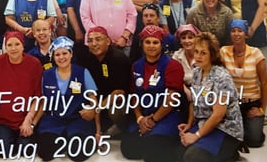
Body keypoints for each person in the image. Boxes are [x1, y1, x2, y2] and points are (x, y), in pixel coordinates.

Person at [121, 25, 185, 162]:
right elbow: (134, 95)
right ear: (142, 44)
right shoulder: (136, 65)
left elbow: (172, 99)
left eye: (155, 42)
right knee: (128, 149)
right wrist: (139, 119)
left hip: (167, 116)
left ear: (161, 45)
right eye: (147, 42)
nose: (151, 46)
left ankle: (172, 144)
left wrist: (153, 120)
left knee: (153, 154)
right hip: (144, 115)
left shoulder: (173, 65)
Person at [0, 31, 43, 156]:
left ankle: (22, 140)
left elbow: (38, 97)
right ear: (5, 47)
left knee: (26, 151)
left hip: (25, 117)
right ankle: (3, 136)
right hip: (2, 120)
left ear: (23, 46)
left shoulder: (34, 64)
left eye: (17, 44)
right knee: (4, 152)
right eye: (9, 45)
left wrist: (29, 121)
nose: (13, 48)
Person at [177, 32, 243, 162]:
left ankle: (231, 154)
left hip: (225, 128)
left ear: (212, 55)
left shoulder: (222, 77)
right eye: (196, 52)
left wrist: (196, 135)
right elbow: (193, 102)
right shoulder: (196, 72)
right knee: (177, 152)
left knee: (192, 157)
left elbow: (218, 115)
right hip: (204, 123)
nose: (198, 56)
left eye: (203, 53)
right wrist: (189, 125)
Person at [36, 36, 97, 162]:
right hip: (54, 120)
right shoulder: (46, 74)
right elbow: (42, 101)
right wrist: (33, 123)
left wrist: (91, 109)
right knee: (45, 153)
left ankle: (70, 137)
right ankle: (64, 136)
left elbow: (93, 98)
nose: (61, 57)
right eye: (57, 54)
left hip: (77, 119)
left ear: (71, 54)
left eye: (65, 53)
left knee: (78, 155)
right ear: (53, 57)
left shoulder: (82, 72)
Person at [77, 26, 132, 136]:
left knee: (115, 111)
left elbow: (119, 93)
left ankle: (126, 130)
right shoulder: (87, 58)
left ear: (108, 41)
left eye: (98, 39)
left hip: (119, 102)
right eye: (90, 40)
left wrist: (96, 109)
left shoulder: (118, 59)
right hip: (99, 101)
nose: (94, 44)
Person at [220, 19, 266, 148]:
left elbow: (264, 83)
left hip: (252, 102)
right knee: (229, 138)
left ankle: (251, 126)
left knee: (254, 141)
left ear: (246, 34)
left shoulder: (256, 53)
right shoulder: (224, 51)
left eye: (240, 31)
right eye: (233, 31)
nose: (236, 34)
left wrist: (262, 109)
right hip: (232, 102)